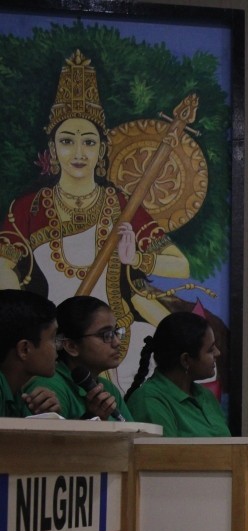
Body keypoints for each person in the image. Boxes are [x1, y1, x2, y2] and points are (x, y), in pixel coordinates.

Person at [0, 49, 191, 392]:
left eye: (88, 142)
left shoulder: (120, 204)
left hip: (115, 339)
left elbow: (181, 266)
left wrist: (137, 258)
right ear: (53, 148)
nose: (78, 153)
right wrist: (28, 321)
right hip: (52, 344)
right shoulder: (30, 207)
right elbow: (3, 264)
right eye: (67, 141)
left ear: (102, 149)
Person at [23, 295, 133, 421]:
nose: (117, 342)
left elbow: (134, 431)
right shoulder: (50, 386)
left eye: (116, 332)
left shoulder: (107, 388)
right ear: (71, 346)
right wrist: (90, 417)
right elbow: (48, 434)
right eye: (106, 334)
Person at [125, 311, 230, 437]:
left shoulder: (206, 396)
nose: (218, 353)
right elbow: (166, 449)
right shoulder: (149, 401)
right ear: (186, 360)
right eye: (210, 350)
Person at [0, 289, 61, 417]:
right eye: (53, 338)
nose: (58, 347)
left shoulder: (18, 395)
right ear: (24, 349)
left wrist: (44, 417)